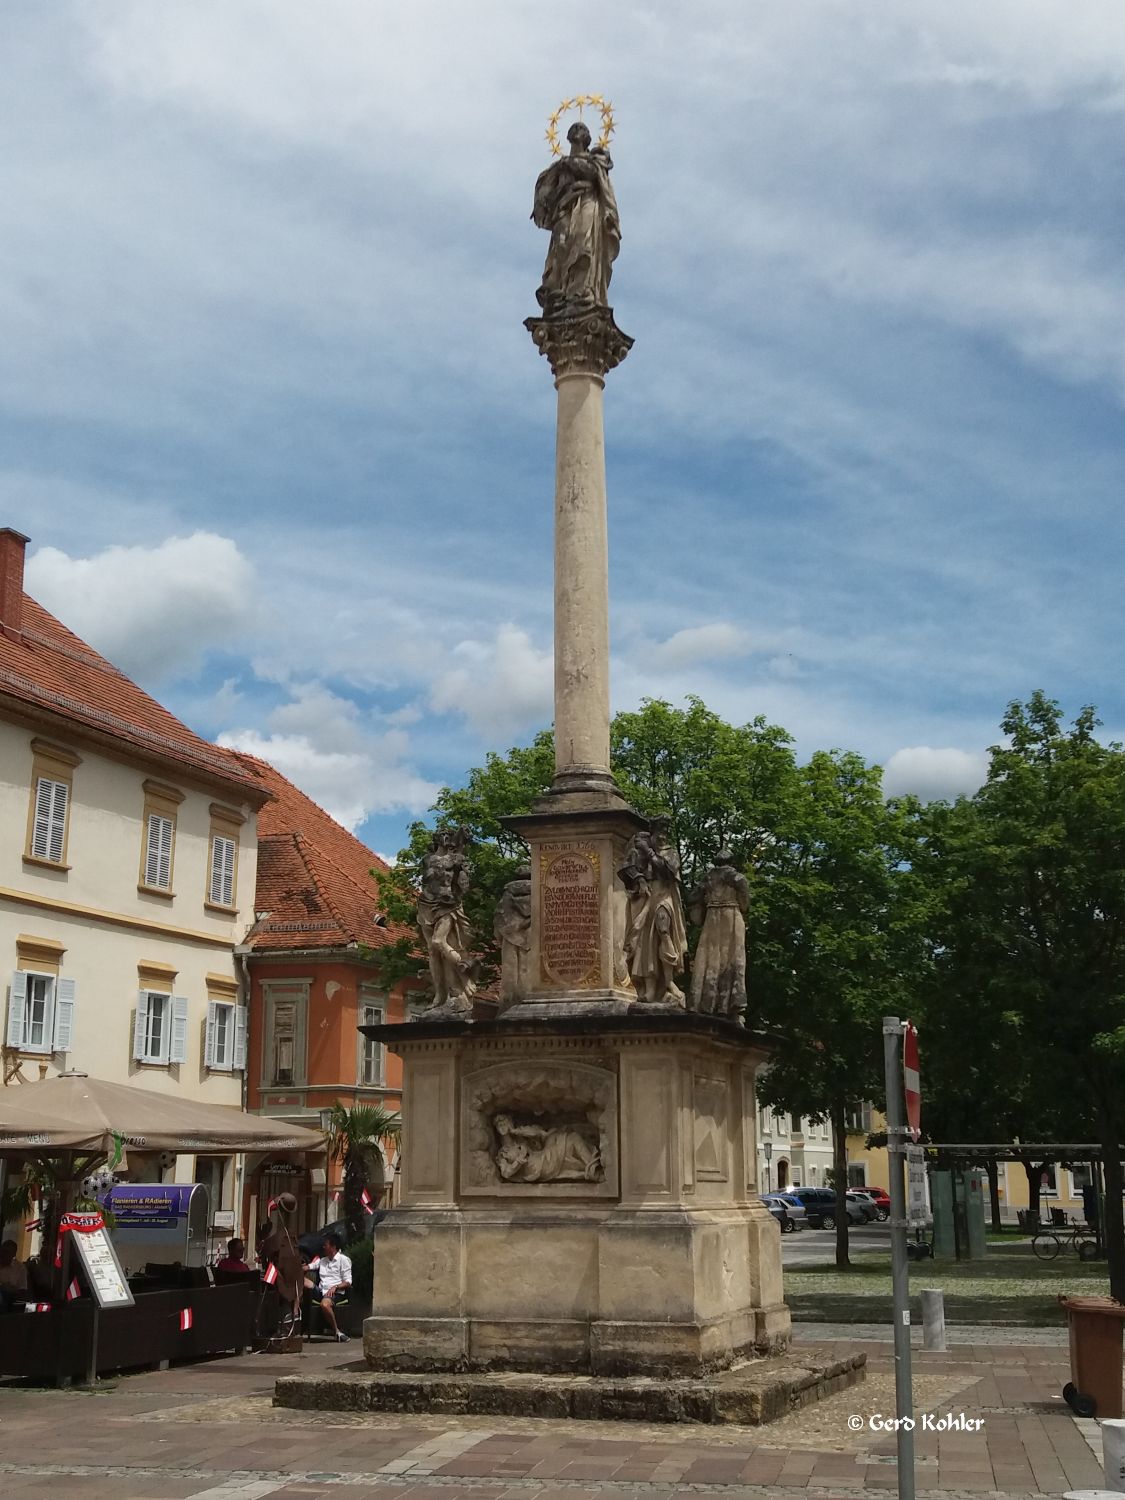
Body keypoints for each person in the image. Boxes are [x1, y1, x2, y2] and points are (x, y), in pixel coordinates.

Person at [532, 120, 621, 318]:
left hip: (588, 204)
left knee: (584, 244)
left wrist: (570, 165)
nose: (578, 129)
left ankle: (584, 290)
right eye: (575, 128)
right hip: (565, 208)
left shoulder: (594, 161)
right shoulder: (560, 166)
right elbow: (546, 193)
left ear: (588, 138)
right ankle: (559, 289)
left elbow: (593, 174)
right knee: (561, 247)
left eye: (582, 129)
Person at [315, 1232, 352, 1342]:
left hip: (334, 1292)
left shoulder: (343, 1260)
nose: (324, 1247)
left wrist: (335, 1287)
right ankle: (295, 1314)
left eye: (326, 1245)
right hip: (321, 1290)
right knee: (302, 1281)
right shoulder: (322, 1261)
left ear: (333, 1247)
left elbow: (348, 1281)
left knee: (325, 1304)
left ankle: (337, 1332)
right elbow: (310, 1266)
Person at [0, 1240, 28, 1310]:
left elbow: (23, 1290)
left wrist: (11, 1290)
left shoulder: (20, 1268)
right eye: (3, 1251)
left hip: (10, 1299)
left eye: (7, 1252)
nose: (4, 1254)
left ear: (14, 1254)